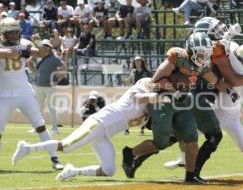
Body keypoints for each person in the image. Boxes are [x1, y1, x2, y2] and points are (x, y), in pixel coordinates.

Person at [164, 17, 243, 181]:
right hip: (216, 112)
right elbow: (228, 59)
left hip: (232, 117)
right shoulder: (240, 66)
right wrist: (228, 37)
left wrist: (228, 38)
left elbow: (235, 75)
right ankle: (185, 162)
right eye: (241, 59)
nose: (242, 62)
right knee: (187, 134)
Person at [122, 32, 239, 183]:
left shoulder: (202, 66)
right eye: (201, 53)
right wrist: (173, 89)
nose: (204, 57)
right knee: (161, 143)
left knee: (191, 139)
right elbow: (155, 81)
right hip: (163, 102)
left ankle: (190, 177)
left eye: (206, 53)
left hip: (184, 101)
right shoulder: (177, 57)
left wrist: (229, 91)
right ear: (191, 50)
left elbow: (215, 81)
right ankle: (130, 153)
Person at [12, 77, 171, 181]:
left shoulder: (150, 109)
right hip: (98, 123)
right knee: (66, 146)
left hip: (104, 135)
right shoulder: (140, 93)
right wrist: (154, 96)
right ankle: (27, 148)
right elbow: (138, 97)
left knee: (108, 171)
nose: (156, 88)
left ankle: (73, 171)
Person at [0, 17, 63, 170]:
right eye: (11, 33)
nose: (15, 35)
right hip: (3, 95)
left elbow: (42, 53)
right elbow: (7, 53)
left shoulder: (24, 43)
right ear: (3, 34)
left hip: (24, 93)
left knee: (40, 125)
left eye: (16, 32)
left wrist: (38, 42)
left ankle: (55, 159)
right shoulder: (14, 47)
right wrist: (22, 51)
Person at [27, 39, 68, 135]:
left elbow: (64, 68)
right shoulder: (38, 56)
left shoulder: (54, 57)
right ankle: (38, 128)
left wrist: (57, 80)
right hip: (39, 86)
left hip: (50, 87)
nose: (44, 47)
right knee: (38, 109)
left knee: (52, 108)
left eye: (46, 45)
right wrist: (34, 71)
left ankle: (54, 129)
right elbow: (29, 62)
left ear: (50, 48)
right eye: (43, 45)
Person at [124, 55, 151, 135]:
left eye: (139, 60)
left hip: (144, 94)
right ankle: (126, 129)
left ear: (142, 62)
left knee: (144, 111)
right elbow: (128, 82)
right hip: (134, 94)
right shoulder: (133, 71)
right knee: (129, 111)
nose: (138, 62)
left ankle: (142, 129)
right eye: (136, 61)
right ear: (134, 62)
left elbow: (151, 82)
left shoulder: (147, 72)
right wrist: (127, 80)